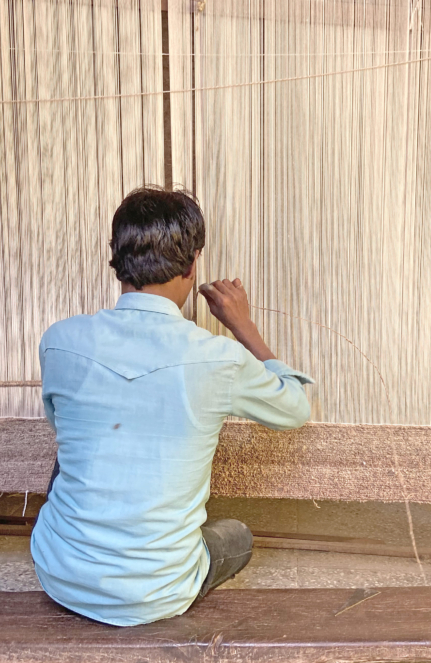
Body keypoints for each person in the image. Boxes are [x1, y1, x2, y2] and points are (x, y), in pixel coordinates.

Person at [30, 186, 313, 626]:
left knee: (79, 435)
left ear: (114, 255)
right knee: (237, 536)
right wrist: (243, 327)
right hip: (159, 591)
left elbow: (60, 428)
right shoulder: (220, 359)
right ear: (193, 264)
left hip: (60, 574)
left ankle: (89, 553)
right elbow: (295, 409)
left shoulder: (60, 342)